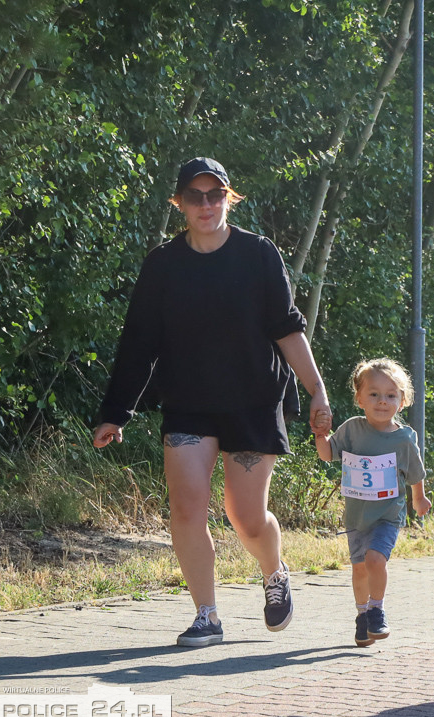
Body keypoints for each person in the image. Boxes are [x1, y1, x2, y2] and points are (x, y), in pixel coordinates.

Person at [93, 157, 333, 647]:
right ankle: (207, 614)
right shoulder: (162, 265)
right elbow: (139, 343)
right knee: (186, 508)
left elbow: (286, 327)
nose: (206, 205)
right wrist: (115, 413)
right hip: (189, 402)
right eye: (195, 196)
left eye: (215, 194)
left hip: (253, 399)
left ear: (229, 197)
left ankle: (274, 569)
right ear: (179, 203)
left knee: (245, 515)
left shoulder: (258, 254)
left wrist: (316, 390)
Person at [315, 358, 430, 647]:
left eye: (391, 395)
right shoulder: (352, 430)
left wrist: (419, 498)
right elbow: (329, 454)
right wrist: (320, 435)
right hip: (356, 518)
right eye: (374, 394)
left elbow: (415, 474)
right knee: (359, 569)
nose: (382, 401)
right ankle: (362, 616)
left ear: (402, 401)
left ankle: (377, 609)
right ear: (360, 398)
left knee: (375, 559)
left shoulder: (403, 439)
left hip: (387, 515)